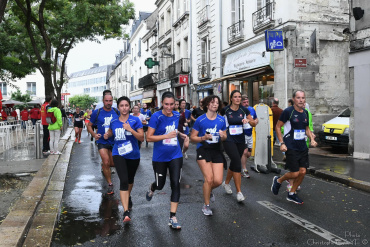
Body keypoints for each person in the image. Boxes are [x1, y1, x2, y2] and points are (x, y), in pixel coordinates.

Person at [145, 91, 187, 229]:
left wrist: (182, 136)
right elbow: (149, 138)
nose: (169, 107)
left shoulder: (177, 115)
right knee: (160, 185)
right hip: (160, 158)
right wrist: (166, 136)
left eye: (171, 104)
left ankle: (172, 217)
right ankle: (152, 187)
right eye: (166, 104)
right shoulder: (156, 117)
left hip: (175, 155)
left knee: (175, 183)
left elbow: (175, 131)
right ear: (161, 104)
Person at [271, 90, 317, 204]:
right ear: (294, 99)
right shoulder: (288, 112)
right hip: (290, 146)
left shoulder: (305, 113)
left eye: (303, 98)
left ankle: (292, 193)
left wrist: (312, 139)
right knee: (295, 173)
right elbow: (277, 127)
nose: (301, 100)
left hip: (302, 146)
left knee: (302, 172)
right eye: (298, 98)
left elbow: (307, 129)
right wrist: (281, 143)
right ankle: (279, 180)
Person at [103, 96, 144, 222]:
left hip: (133, 155)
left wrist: (130, 129)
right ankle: (126, 212)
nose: (124, 108)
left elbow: (141, 138)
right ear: (118, 107)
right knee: (124, 180)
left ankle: (128, 196)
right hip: (118, 153)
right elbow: (110, 131)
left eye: (126, 105)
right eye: (122, 105)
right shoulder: (114, 121)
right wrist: (107, 134)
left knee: (130, 179)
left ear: (129, 107)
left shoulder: (135, 120)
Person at [190, 95, 227, 216]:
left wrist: (223, 136)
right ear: (207, 105)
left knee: (218, 181)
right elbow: (192, 138)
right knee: (209, 179)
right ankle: (206, 206)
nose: (215, 104)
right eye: (212, 102)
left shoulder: (221, 120)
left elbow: (225, 136)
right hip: (203, 149)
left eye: (217, 103)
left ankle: (208, 190)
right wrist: (203, 137)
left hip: (216, 150)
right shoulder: (200, 120)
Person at [220, 90, 256, 202]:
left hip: (240, 139)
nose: (237, 99)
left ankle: (226, 183)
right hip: (228, 139)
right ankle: (239, 192)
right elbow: (218, 121)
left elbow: (254, 123)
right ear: (231, 98)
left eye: (239, 97)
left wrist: (249, 121)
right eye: (235, 97)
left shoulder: (244, 110)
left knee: (235, 162)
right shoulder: (225, 110)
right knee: (236, 162)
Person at [87, 94, 120, 195]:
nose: (108, 103)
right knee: (106, 162)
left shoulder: (116, 111)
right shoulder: (97, 112)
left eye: (110, 101)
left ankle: (107, 168)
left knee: (113, 163)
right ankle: (110, 183)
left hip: (114, 141)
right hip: (102, 141)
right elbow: (89, 125)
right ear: (103, 101)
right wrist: (94, 134)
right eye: (106, 101)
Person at [240, 96, 258, 178]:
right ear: (241, 103)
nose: (246, 103)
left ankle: (241, 163)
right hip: (242, 134)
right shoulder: (239, 110)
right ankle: (244, 169)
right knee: (244, 152)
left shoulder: (251, 109)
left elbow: (256, 119)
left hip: (249, 133)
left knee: (248, 154)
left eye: (247, 102)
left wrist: (254, 122)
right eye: (244, 102)